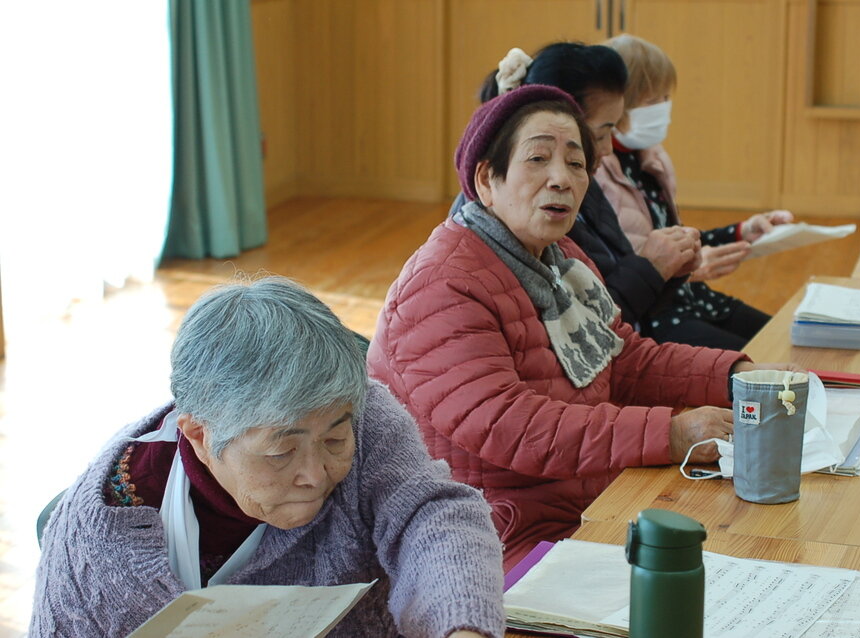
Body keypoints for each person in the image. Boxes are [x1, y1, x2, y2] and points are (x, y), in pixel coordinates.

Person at [367, 84, 790, 570]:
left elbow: (624, 360)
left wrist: (738, 378)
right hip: (485, 532)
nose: (561, 179)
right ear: (486, 180)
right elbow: (510, 426)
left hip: (581, 497)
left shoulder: (561, 257)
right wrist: (671, 434)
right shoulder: (442, 284)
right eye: (538, 159)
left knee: (759, 537)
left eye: (575, 163)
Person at [30, 277, 504, 638]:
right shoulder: (94, 545)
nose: (315, 475)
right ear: (199, 436)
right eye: (281, 452)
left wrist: (460, 622)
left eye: (334, 442)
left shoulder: (359, 413)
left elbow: (429, 514)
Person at [464, 43, 701, 331]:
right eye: (538, 158)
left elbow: (607, 316)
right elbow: (578, 330)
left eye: (575, 161)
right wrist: (651, 268)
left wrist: (669, 269)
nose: (607, 150)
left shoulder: (583, 186)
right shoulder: (479, 250)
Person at [598, 34, 795, 349]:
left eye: (665, 98)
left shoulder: (649, 157)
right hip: (654, 317)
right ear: (617, 104)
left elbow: (674, 237)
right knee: (765, 361)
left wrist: (742, 231)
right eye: (651, 102)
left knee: (789, 339)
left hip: (692, 298)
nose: (662, 109)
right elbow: (623, 271)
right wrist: (684, 268)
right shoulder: (595, 172)